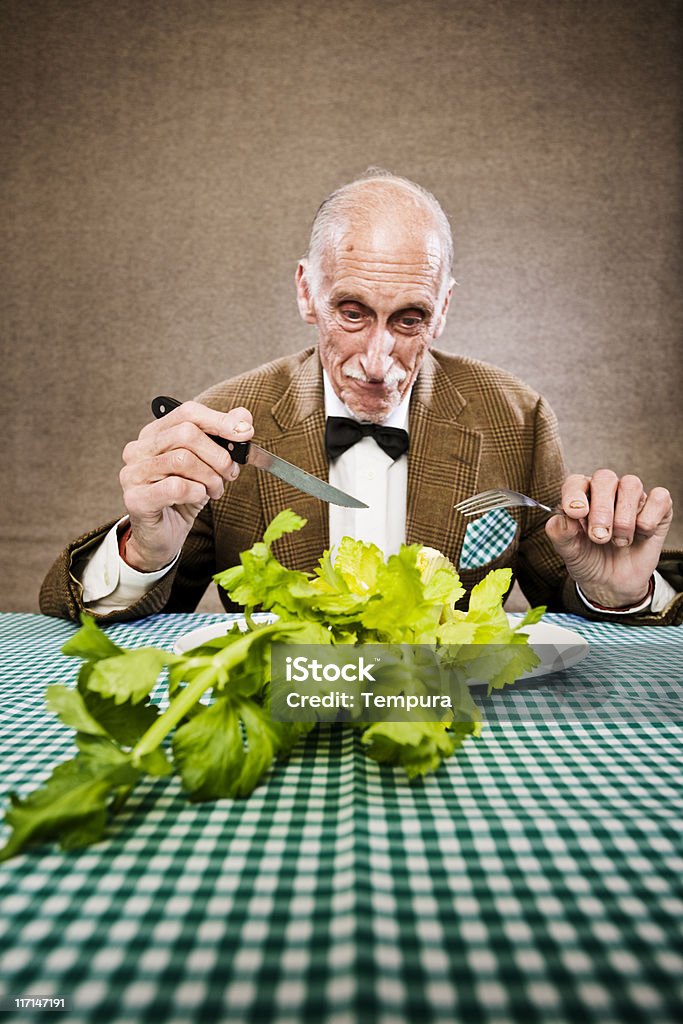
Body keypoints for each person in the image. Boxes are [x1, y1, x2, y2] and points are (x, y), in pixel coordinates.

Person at [40, 172, 682, 625]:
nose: (378, 363)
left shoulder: (516, 417)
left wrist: (615, 593)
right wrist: (142, 555)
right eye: (351, 312)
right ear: (306, 293)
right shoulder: (222, 423)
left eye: (409, 320)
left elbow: (567, 598)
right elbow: (98, 615)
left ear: (445, 308)